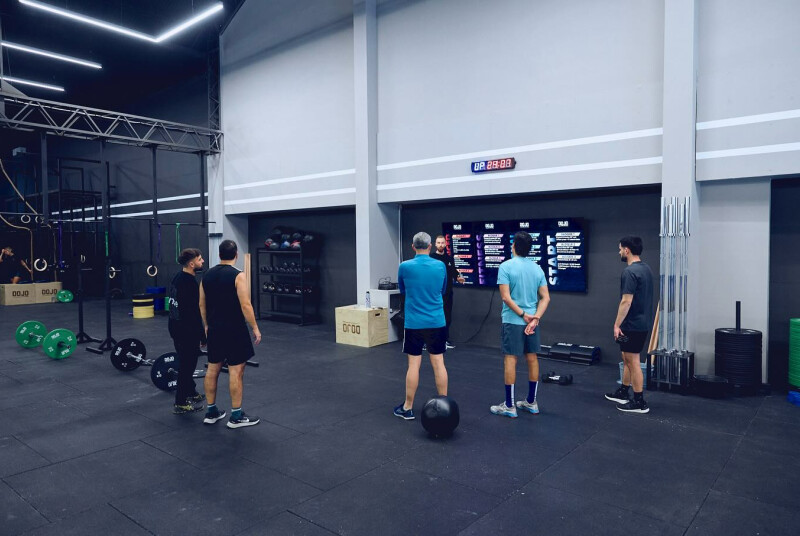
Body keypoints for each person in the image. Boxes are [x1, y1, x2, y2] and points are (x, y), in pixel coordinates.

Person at [199, 240, 262, 428]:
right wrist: (255, 328)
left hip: (215, 328)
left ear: (220, 255)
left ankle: (211, 412)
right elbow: (245, 305)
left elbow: (201, 303)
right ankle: (236, 416)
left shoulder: (207, 275)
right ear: (236, 255)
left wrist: (207, 325)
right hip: (234, 329)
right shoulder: (238, 275)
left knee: (212, 369)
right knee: (236, 370)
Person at [490, 231, 550, 418]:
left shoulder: (506, 266)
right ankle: (531, 402)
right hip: (532, 322)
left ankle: (509, 406)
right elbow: (546, 298)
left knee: (511, 359)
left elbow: (506, 298)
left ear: (514, 246)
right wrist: (535, 318)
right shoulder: (537, 269)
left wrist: (524, 315)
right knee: (532, 358)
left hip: (513, 320)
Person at [393, 232, 449, 420]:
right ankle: (444, 407)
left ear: (413, 246)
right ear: (430, 246)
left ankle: (407, 407)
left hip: (414, 323)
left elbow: (403, 290)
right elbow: (443, 290)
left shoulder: (404, 266)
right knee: (438, 362)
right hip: (436, 322)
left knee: (413, 365)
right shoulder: (440, 266)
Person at [605, 236, 654, 414]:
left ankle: (639, 401)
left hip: (633, 325)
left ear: (627, 250)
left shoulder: (630, 272)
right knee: (626, 358)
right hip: (639, 323)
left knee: (633, 361)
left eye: (620, 249)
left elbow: (626, 301)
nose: (619, 252)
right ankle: (624, 392)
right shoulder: (646, 269)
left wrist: (616, 325)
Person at [167, 248, 207, 415]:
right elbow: (193, 313)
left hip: (175, 327)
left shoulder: (178, 277)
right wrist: (202, 336)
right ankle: (181, 402)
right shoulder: (189, 283)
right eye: (199, 259)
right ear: (191, 264)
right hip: (186, 331)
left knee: (186, 362)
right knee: (187, 366)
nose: (202, 261)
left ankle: (190, 391)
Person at [431, 235, 465, 349]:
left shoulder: (449, 258)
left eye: (442, 243)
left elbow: (454, 273)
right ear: (435, 244)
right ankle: (430, 340)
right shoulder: (431, 258)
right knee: (433, 317)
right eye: (438, 243)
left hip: (448, 293)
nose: (441, 245)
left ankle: (445, 340)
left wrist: (458, 278)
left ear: (445, 244)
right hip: (435, 294)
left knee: (447, 317)